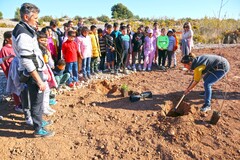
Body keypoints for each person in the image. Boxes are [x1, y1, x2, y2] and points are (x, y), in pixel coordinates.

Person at [12, 3, 54, 137]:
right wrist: (38, 80)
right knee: (36, 101)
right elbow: (26, 60)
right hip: (32, 72)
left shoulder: (24, 28)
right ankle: (38, 129)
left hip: (32, 71)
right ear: (26, 17)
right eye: (35, 18)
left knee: (36, 100)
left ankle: (39, 121)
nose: (37, 21)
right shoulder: (23, 34)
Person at [0, 31, 23, 112]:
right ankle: (18, 105)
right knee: (15, 88)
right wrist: (7, 74)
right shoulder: (4, 49)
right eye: (12, 37)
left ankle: (22, 102)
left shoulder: (15, 47)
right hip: (12, 73)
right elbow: (4, 64)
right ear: (7, 39)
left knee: (20, 87)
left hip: (19, 71)